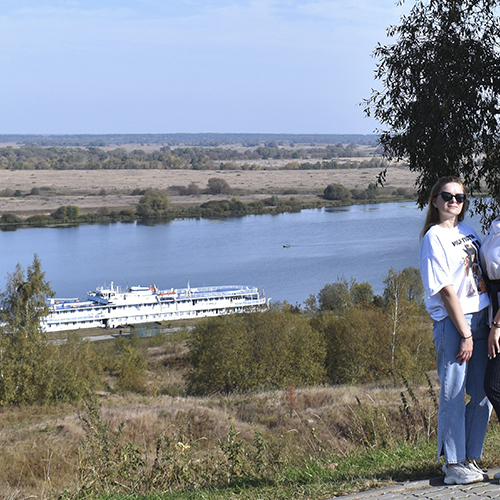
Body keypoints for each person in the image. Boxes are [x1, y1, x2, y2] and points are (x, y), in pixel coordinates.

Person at [420, 176, 491, 485]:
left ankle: (470, 457)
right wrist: (464, 333)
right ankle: (452, 464)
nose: (453, 201)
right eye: (447, 196)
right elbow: (446, 290)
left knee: (484, 392)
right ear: (435, 200)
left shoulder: (468, 230)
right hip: (455, 324)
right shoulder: (433, 237)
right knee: (453, 392)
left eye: (459, 197)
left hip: (482, 319)